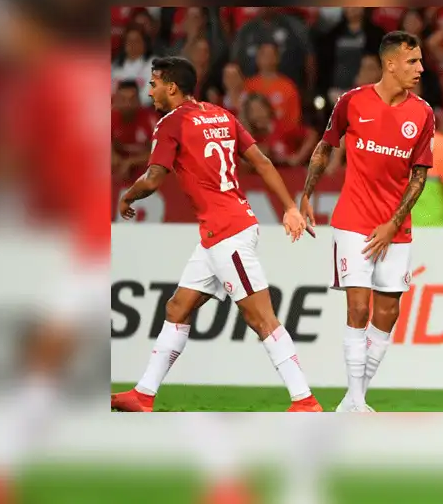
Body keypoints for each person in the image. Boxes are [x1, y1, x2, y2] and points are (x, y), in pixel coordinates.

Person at [111, 56, 322, 413]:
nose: (151, 90)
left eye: (154, 83)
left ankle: (305, 399)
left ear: (172, 87)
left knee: (261, 319)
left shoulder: (171, 124)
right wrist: (288, 205)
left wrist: (127, 194)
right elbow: (262, 162)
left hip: (228, 233)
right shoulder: (222, 116)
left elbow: (153, 179)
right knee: (178, 307)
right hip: (220, 232)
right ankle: (143, 394)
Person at [300, 31, 435, 413]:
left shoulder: (423, 113)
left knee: (388, 313)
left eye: (420, 61)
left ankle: (352, 399)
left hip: (396, 228)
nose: (420, 69)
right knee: (358, 309)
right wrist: (307, 193)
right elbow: (326, 146)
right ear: (390, 63)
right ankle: (357, 402)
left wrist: (394, 223)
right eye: (412, 62)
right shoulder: (352, 102)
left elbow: (420, 176)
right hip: (353, 220)